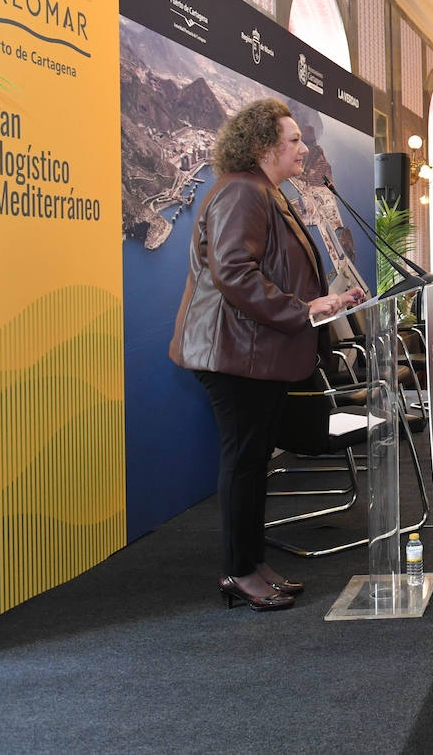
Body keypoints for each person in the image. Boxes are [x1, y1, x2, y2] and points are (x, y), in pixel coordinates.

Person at [169, 98, 364, 613]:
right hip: (233, 356)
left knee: (253, 463)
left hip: (252, 353)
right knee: (243, 463)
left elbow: (272, 270)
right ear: (262, 146)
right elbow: (235, 274)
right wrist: (303, 309)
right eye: (294, 139)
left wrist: (329, 302)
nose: (304, 147)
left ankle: (252, 565)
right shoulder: (242, 192)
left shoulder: (263, 192)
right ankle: (238, 571)